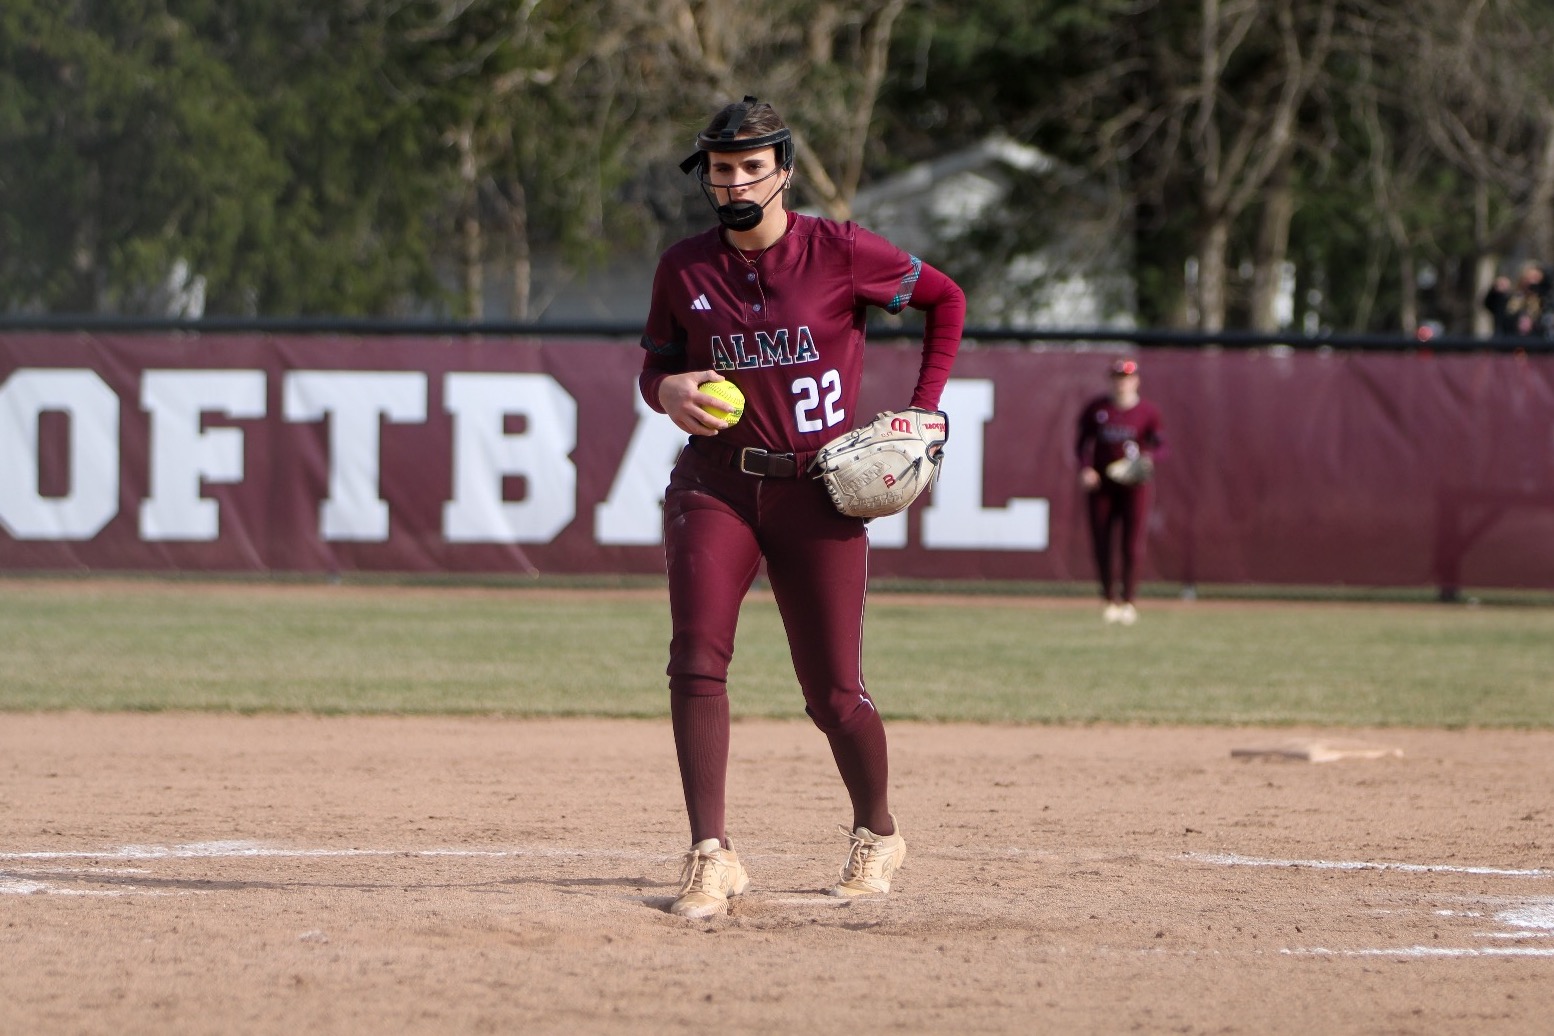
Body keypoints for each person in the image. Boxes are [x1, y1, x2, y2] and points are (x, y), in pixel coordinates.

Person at [638, 96, 964, 919]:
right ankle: (710, 853)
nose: (737, 182)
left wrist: (925, 408)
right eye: (722, 169)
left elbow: (946, 299)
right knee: (695, 658)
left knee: (834, 695)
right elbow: (657, 368)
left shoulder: (841, 250)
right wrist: (665, 391)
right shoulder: (684, 267)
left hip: (818, 490)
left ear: (783, 170)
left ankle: (877, 831)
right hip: (715, 484)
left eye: (753, 166)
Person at [1075, 358, 1164, 626]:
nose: (1122, 383)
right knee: (1102, 541)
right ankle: (1109, 598)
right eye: (1117, 378)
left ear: (1136, 381)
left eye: (1127, 378)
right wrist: (1086, 469)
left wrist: (1148, 459)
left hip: (1134, 485)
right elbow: (1082, 444)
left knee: (1132, 543)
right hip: (1103, 484)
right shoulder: (1097, 409)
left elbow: (1161, 445)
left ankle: (1129, 600)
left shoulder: (1147, 412)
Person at [1483, 261, 1551, 339]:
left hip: (1535, 344)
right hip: (1508, 342)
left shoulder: (1543, 302)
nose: (1532, 282)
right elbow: (1489, 304)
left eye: (1536, 279)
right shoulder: (1509, 298)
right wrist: (1495, 290)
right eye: (1528, 278)